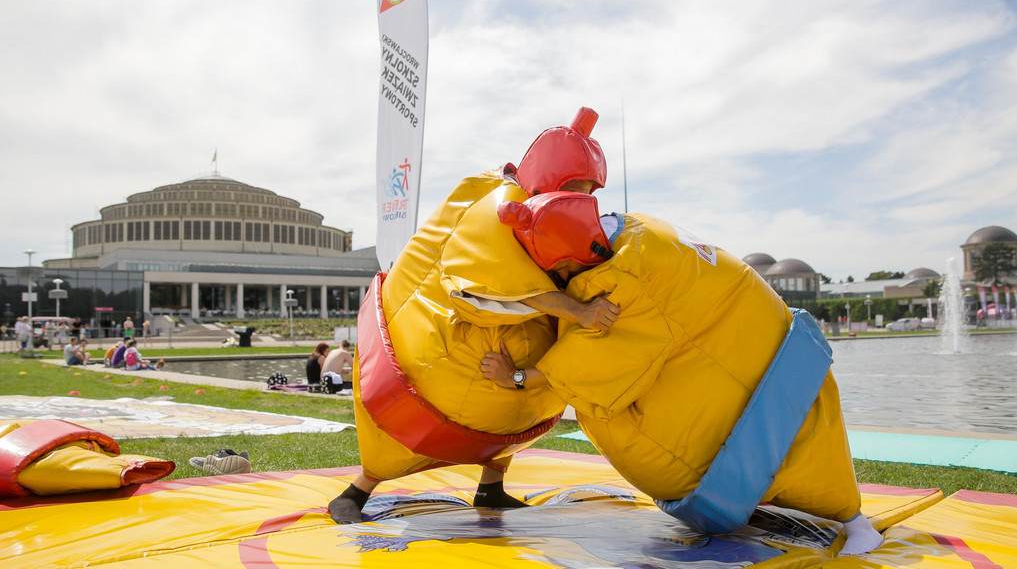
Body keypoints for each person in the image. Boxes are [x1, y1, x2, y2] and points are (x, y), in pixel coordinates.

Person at [481, 192, 884, 556]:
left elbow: (580, 371)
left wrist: (513, 377)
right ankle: (827, 509)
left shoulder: (618, 286)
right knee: (764, 423)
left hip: (764, 388)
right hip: (779, 354)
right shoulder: (639, 230)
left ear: (567, 261)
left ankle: (853, 520)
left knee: (649, 429)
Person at [328, 108, 619, 524]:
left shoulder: (555, 222)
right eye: (574, 186)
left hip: (507, 380)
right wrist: (577, 310)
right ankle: (358, 490)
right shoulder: (497, 208)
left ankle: (491, 486)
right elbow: (484, 274)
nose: (581, 197)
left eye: (588, 190)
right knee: (412, 425)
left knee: (508, 402)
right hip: (435, 357)